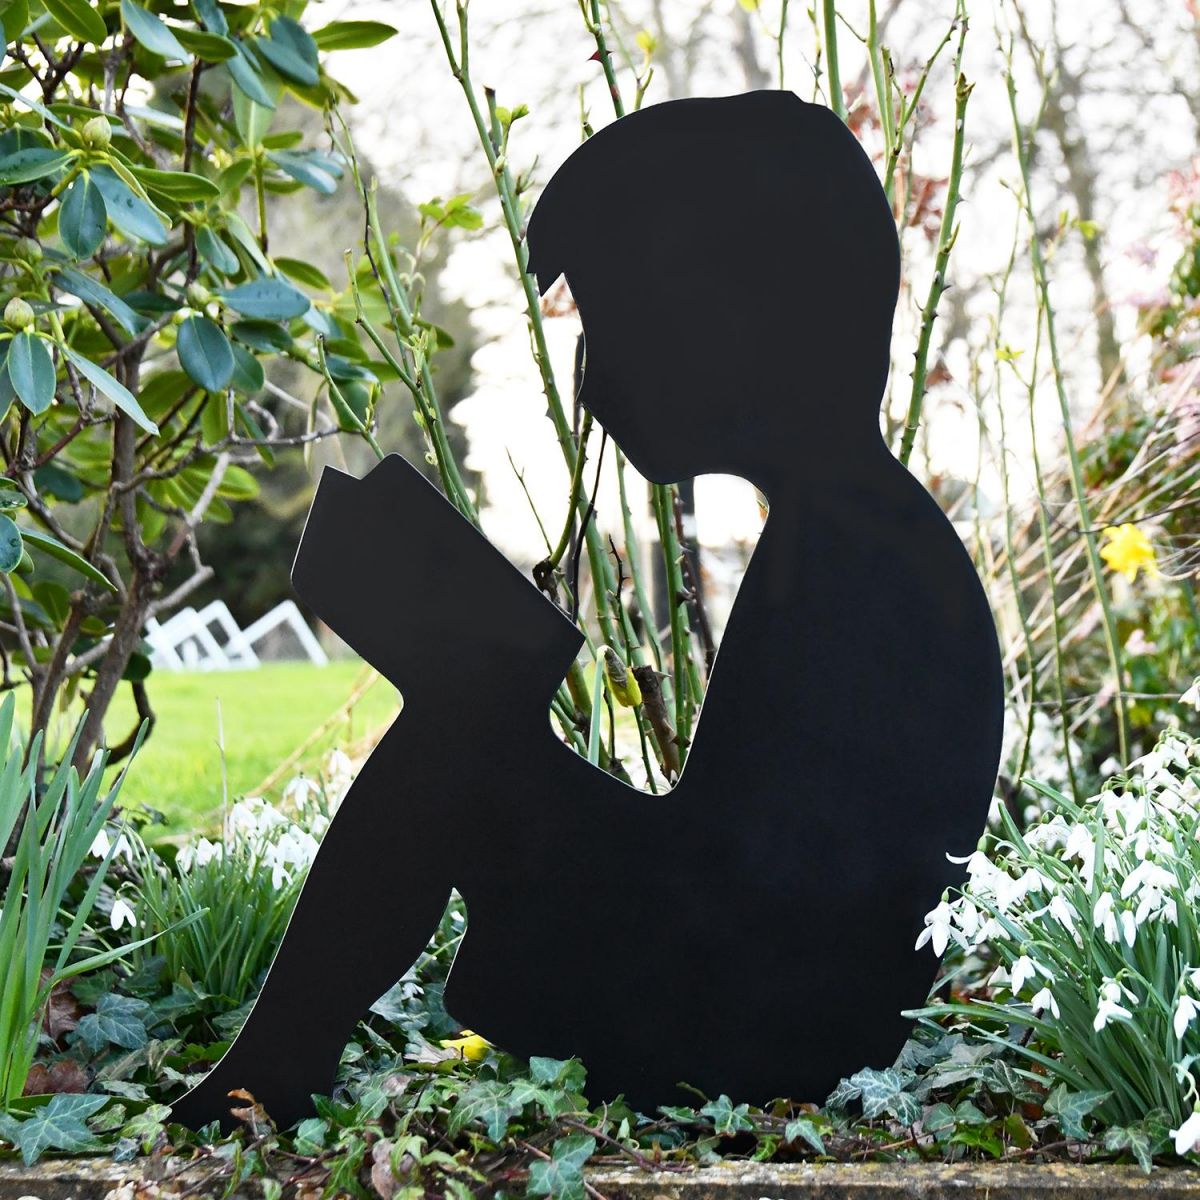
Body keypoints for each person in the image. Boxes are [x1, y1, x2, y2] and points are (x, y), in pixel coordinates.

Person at [172, 91, 1002, 1132]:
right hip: (765, 982)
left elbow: (761, 890)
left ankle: (266, 1082)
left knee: (458, 748)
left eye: (620, 327)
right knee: (467, 723)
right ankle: (273, 1071)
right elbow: (743, 853)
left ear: (742, 324)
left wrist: (477, 685)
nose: (598, 382)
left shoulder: (864, 562)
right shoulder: (855, 533)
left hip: (765, 1023)